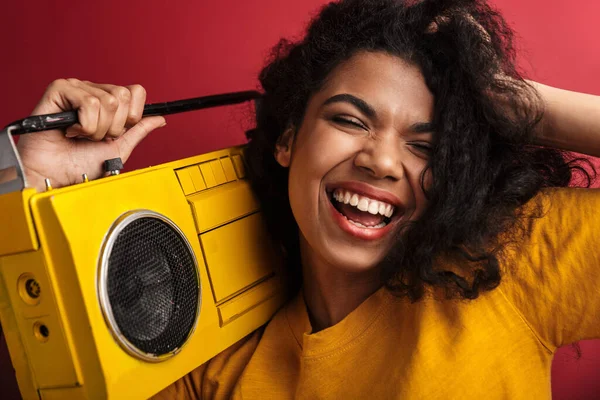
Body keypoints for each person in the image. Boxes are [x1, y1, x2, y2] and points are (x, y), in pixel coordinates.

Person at [12, 0, 600, 398]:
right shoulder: (212, 364)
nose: (382, 160)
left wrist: (525, 108)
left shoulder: (515, 263)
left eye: (427, 146)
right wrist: (30, 193)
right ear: (289, 138)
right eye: (350, 120)